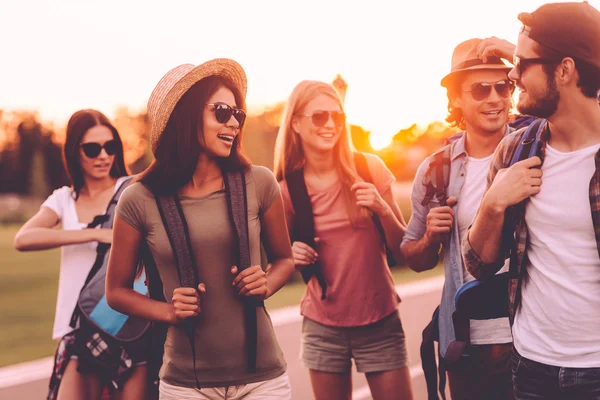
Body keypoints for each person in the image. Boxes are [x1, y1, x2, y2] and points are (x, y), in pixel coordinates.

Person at [105, 59, 295, 400]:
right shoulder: (138, 198)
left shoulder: (261, 182)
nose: (234, 122)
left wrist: (267, 281)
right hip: (185, 387)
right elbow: (116, 291)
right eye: (222, 112)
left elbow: (285, 259)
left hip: (263, 381)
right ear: (186, 115)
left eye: (239, 114)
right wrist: (167, 310)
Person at [463, 2, 600, 398]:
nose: (512, 73)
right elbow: (480, 264)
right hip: (531, 366)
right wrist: (492, 203)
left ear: (565, 69)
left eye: (522, 63)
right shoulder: (515, 151)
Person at [274, 80, 413, 400]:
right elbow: (279, 257)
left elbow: (404, 250)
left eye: (337, 116)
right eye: (319, 116)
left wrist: (380, 207)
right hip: (323, 326)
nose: (330, 124)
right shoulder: (287, 189)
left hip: (380, 320)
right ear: (295, 123)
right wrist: (291, 255)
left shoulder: (369, 168)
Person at [401, 37, 517, 399]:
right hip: (467, 345)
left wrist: (512, 49)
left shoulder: (537, 146)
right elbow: (413, 255)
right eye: (480, 89)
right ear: (455, 100)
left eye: (504, 85)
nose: (495, 98)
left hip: (531, 338)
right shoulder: (435, 169)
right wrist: (430, 239)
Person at [13, 109, 148, 400]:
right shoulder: (63, 199)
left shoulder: (132, 190)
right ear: (75, 151)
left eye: (110, 146)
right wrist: (96, 233)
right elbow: (23, 238)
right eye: (92, 148)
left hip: (125, 324)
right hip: (76, 327)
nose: (103, 155)